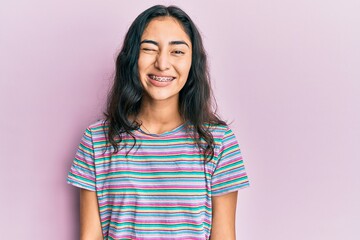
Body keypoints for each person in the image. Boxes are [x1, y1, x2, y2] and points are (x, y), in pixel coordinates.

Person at [67, 5, 250, 240]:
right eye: (149, 49)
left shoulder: (218, 142)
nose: (162, 63)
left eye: (177, 51)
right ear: (132, 57)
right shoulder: (96, 140)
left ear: (193, 61)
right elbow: (89, 236)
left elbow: (224, 236)